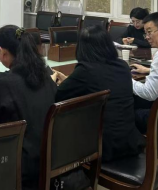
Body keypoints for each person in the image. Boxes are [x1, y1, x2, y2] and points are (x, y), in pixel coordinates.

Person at [0, 26, 57, 190]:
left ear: (3, 52)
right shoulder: (45, 77)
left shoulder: (4, 82)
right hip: (50, 159)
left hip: (20, 166)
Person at [53, 26, 145, 162]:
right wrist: (70, 81)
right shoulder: (123, 66)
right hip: (129, 141)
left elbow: (58, 96)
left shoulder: (85, 70)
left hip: (103, 147)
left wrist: (52, 82)